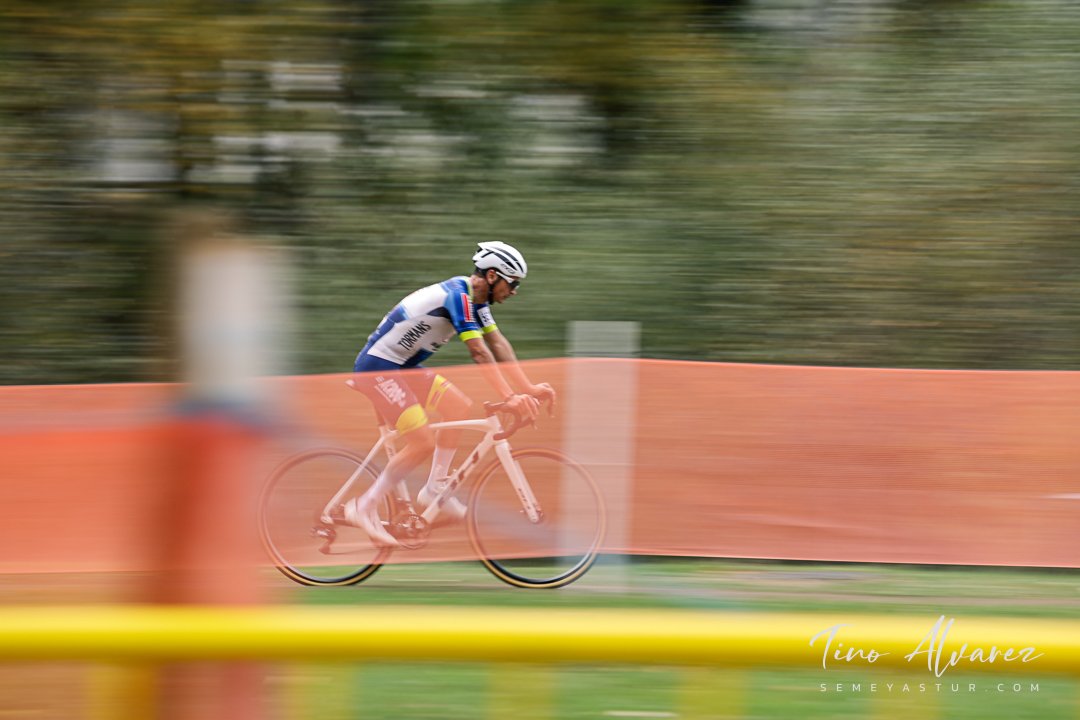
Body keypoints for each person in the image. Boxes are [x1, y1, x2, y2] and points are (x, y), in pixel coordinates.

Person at [346, 241, 557, 546]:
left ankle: (434, 488)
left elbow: (497, 343)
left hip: (401, 369)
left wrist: (528, 388)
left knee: (457, 405)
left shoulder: (477, 302)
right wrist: (510, 396)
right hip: (377, 369)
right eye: (513, 283)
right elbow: (479, 352)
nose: (514, 291)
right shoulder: (458, 297)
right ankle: (364, 506)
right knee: (422, 443)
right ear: (493, 276)